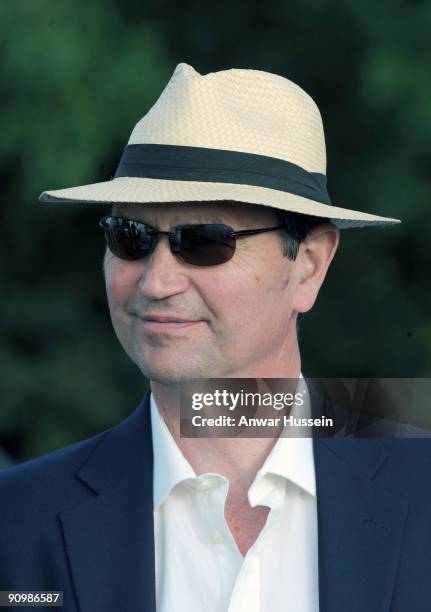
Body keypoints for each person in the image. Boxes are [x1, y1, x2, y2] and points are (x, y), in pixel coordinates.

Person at [0, 63, 430, 612]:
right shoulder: (16, 522)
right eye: (130, 238)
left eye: (204, 242)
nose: (156, 281)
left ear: (310, 266)